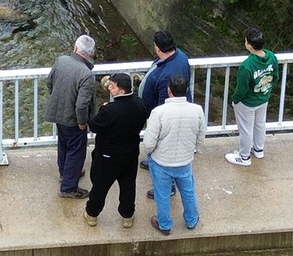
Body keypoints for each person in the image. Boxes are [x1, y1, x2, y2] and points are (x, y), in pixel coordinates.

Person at [141, 75, 204, 235]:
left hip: (161, 161)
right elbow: (201, 136)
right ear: (186, 90)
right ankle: (191, 219)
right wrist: (194, 150)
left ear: (169, 91)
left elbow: (149, 142)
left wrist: (150, 153)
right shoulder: (197, 110)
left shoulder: (158, 112)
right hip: (185, 160)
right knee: (188, 191)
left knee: (162, 194)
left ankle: (165, 224)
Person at [84, 73, 148, 228]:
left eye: (113, 86)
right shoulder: (140, 105)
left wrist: (101, 109)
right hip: (130, 154)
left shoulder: (110, 111)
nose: (109, 87)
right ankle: (127, 216)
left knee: (100, 186)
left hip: (108, 156)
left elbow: (94, 126)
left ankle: (92, 214)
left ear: (121, 91)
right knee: (128, 186)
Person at [139, 30, 191, 198]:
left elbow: (164, 104)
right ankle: (153, 163)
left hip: (165, 119)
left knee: (164, 149)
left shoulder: (167, 75)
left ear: (158, 49)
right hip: (175, 112)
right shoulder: (180, 55)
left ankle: (168, 187)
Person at [45, 34, 96, 199]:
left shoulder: (61, 61)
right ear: (91, 53)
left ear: (75, 48)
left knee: (63, 144)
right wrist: (82, 122)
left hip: (58, 113)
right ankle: (68, 186)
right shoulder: (86, 74)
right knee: (76, 151)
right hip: (73, 120)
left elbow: (49, 82)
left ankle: (64, 173)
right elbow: (82, 105)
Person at [226, 27, 280, 167]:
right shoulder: (272, 57)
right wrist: (266, 91)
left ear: (249, 45)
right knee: (260, 124)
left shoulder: (247, 66)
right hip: (263, 97)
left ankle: (244, 157)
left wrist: (235, 99)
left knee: (245, 129)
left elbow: (242, 88)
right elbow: (275, 77)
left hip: (247, 102)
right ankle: (258, 149)